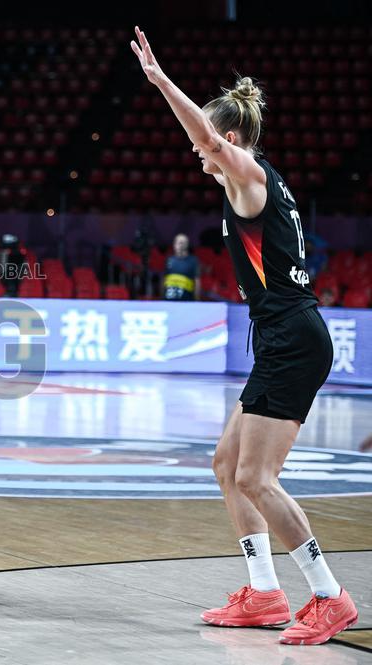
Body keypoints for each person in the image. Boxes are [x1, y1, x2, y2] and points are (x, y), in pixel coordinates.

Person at [132, 26, 357, 645]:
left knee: (258, 477)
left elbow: (202, 135)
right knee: (227, 465)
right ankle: (263, 592)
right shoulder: (252, 181)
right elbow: (203, 137)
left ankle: (329, 596)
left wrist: (158, 81)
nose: (197, 154)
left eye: (206, 145)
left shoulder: (249, 176)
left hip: (293, 338)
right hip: (282, 336)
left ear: (229, 141)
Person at [163, 233, 200, 301]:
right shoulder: (169, 260)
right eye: (178, 242)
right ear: (174, 245)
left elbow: (197, 281)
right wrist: (162, 298)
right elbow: (164, 279)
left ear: (187, 245)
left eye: (182, 243)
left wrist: (197, 299)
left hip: (186, 301)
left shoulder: (193, 261)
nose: (180, 245)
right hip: (169, 300)